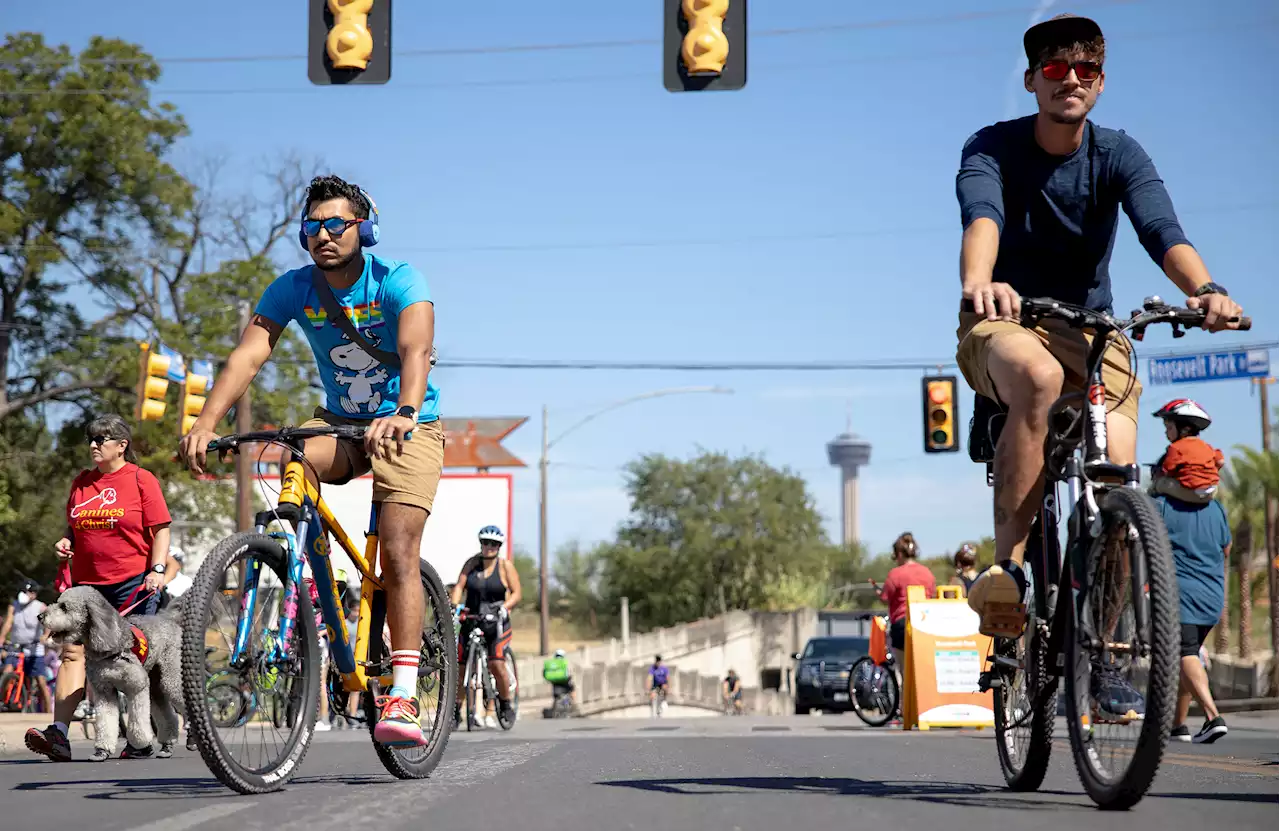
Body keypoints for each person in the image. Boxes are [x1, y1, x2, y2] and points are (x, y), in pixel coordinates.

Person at [954, 14, 1245, 718]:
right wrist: (980, 282)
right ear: (1032, 81)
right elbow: (982, 218)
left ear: (1101, 82)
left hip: (1095, 331)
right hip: (1007, 320)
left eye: (1085, 70)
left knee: (1117, 479)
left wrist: (1203, 290)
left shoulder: (1119, 155)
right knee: (1040, 377)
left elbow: (1161, 231)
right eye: (1055, 70)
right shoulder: (992, 146)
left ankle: (1108, 647)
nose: (1071, 81)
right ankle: (1008, 575)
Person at [179, 175, 445, 748]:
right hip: (342, 425)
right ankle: (298, 570)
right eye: (313, 226)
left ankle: (401, 690)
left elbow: (414, 348)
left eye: (337, 224)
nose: (323, 234)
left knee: (399, 547)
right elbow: (249, 354)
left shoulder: (398, 280)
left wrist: (403, 409)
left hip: (408, 425)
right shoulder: (291, 289)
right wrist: (206, 423)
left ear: (363, 228)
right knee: (292, 461)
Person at [27, 414, 172, 761]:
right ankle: (59, 735)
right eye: (91, 439)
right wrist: (65, 540)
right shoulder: (81, 482)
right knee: (73, 653)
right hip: (87, 589)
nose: (93, 445)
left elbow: (161, 528)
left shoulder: (141, 479)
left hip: (132, 583)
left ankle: (145, 734)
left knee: (136, 662)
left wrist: (157, 569)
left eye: (102, 439)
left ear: (121, 445)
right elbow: (74, 527)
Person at [1151, 417, 1231, 744]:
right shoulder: (1217, 510)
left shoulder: (1160, 506)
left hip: (1181, 594)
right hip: (1213, 596)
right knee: (1187, 653)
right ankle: (1177, 726)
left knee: (1184, 652)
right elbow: (1225, 549)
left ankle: (1213, 717)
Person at [449, 525, 521, 726]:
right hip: (472, 618)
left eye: (494, 544)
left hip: (496, 621)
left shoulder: (505, 566)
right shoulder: (472, 563)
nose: (489, 547)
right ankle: (455, 711)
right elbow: (459, 587)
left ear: (499, 546)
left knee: (496, 663)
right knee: (461, 666)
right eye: (485, 543)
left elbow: (516, 593)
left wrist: (506, 607)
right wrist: (455, 607)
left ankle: (505, 704)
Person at [1150, 399, 1225, 504]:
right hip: (1210, 493)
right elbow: (1221, 461)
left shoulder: (1175, 448)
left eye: (1169, 428)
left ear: (1185, 430)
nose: (1166, 432)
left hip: (1190, 492)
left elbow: (1166, 471)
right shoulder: (1207, 446)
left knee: (1160, 483)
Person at [878, 533, 936, 669]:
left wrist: (880, 593)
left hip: (902, 625)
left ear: (899, 554)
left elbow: (885, 599)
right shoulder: (927, 573)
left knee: (905, 670)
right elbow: (932, 596)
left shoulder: (895, 574)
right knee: (922, 669)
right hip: (925, 624)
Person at [0, 577, 52, 713]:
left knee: (40, 681)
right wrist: (2, 638)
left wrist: (45, 636)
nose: (23, 594)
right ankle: (5, 701)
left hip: (34, 648)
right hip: (16, 646)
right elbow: (8, 623)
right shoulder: (14, 606)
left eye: (27, 591)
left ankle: (48, 713)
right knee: (7, 671)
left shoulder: (40, 607)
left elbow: (47, 623)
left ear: (33, 593)